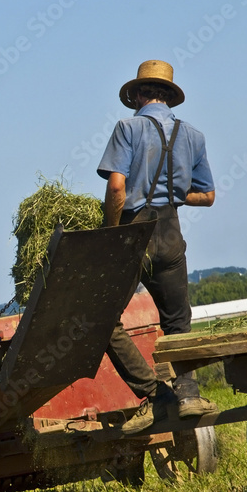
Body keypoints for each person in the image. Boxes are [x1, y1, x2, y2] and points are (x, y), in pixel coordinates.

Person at [97, 60, 219, 434]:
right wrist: (175, 193)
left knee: (102, 320)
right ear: (168, 96)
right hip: (170, 232)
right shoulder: (193, 135)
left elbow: (117, 187)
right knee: (178, 321)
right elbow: (208, 196)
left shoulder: (128, 128)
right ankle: (188, 395)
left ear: (137, 95)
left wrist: (110, 234)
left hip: (133, 233)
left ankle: (155, 394)